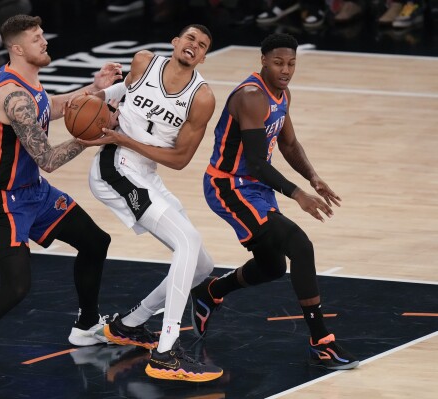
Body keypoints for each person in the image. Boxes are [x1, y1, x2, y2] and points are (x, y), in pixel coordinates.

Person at [0, 15, 122, 399]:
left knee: (95, 241)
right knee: (16, 288)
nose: (44, 42)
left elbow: (52, 106)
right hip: (5, 201)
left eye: (43, 34)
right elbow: (47, 157)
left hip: (34, 191)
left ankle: (85, 324)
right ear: (18, 48)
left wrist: (94, 90)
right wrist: (93, 135)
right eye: (36, 38)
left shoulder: (26, 81)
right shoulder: (13, 97)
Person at [190, 33, 359, 371]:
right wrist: (297, 195)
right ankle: (321, 342)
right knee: (300, 245)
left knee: (273, 267)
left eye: (292, 63)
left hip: (255, 188)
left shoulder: (282, 94)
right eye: (279, 63)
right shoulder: (251, 97)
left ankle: (210, 292)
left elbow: (290, 144)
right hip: (230, 186)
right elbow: (256, 162)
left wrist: (313, 177)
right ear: (263, 60)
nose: (286, 70)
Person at [79, 24, 223, 382]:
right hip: (115, 168)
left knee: (202, 264)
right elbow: (119, 92)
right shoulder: (144, 62)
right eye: (190, 38)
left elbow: (178, 159)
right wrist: (95, 96)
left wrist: (127, 139)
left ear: (204, 57)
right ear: (176, 43)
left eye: (202, 45)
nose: (194, 46)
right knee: (186, 242)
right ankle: (166, 352)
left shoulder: (202, 97)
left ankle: (130, 324)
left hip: (146, 170)